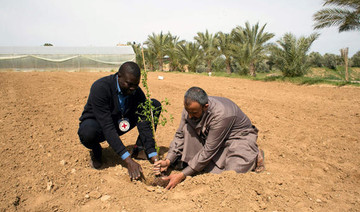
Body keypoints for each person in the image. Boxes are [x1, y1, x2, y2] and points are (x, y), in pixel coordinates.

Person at [154, 86, 264, 189]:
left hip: (237, 139)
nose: (190, 115)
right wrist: (168, 160)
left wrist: (182, 175)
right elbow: (180, 135)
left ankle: (254, 156)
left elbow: (209, 150)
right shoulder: (190, 109)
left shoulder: (221, 114)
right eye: (188, 112)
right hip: (212, 139)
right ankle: (195, 165)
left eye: (194, 112)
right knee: (187, 128)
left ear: (206, 107)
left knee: (231, 175)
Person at [78, 61, 161, 180]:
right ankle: (96, 150)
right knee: (87, 132)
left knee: (153, 106)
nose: (132, 88)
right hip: (99, 126)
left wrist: (153, 155)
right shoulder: (101, 87)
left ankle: (141, 149)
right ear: (119, 76)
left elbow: (145, 123)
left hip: (120, 122)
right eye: (129, 84)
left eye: (136, 85)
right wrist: (128, 160)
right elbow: (107, 126)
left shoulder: (135, 91)